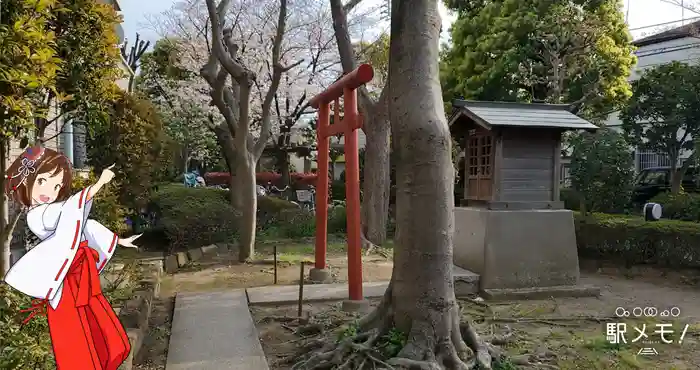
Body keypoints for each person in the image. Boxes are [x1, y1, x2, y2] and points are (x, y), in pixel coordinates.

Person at [3, 146, 141, 370]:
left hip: (77, 277)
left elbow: (83, 223)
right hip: (64, 283)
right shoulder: (36, 215)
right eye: (43, 181)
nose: (50, 189)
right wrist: (98, 185)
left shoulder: (54, 209)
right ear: (27, 180)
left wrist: (118, 240)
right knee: (73, 331)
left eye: (57, 185)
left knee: (94, 324)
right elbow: (71, 211)